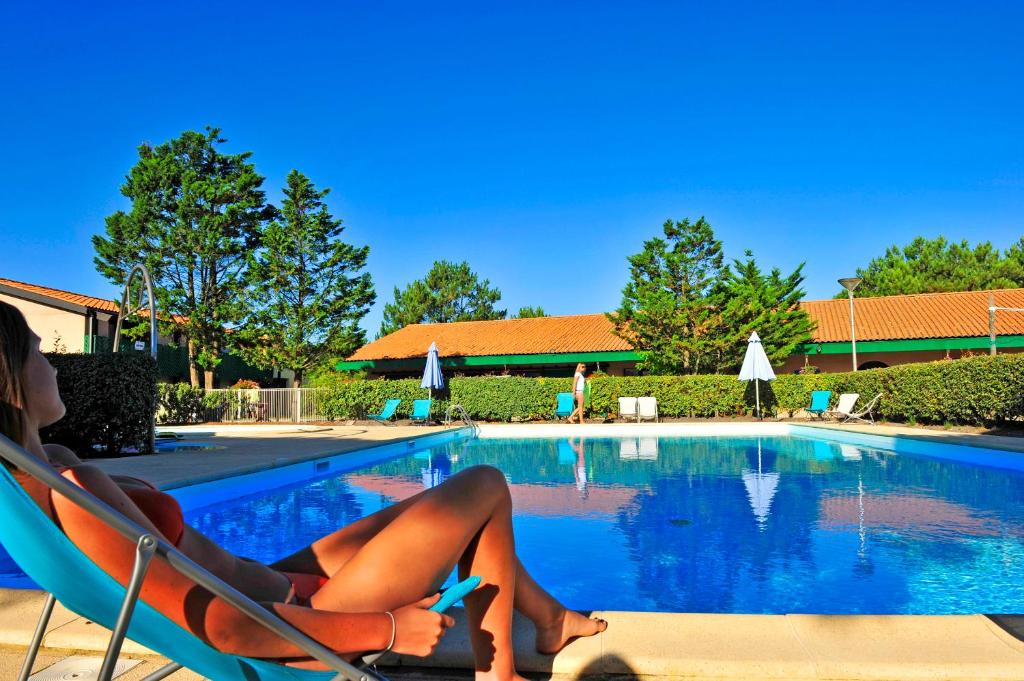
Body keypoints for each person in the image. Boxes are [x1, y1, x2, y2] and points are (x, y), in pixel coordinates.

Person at [0, 301, 605, 680]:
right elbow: (224, 628)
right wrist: (389, 630)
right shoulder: (76, 493)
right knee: (483, 484)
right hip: (298, 624)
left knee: (441, 507)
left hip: (279, 584)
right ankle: (499, 673)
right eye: (40, 354)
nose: (55, 366)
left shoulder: (43, 472)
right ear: (11, 383)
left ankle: (550, 617)